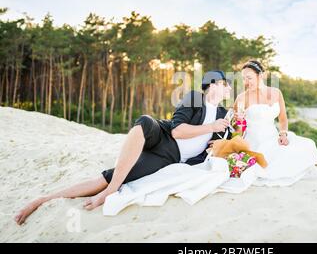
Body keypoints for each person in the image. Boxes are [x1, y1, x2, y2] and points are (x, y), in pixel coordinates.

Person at [14, 70, 232, 225]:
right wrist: (210, 126)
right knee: (145, 121)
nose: (229, 88)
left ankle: (44, 199)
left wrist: (218, 140)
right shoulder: (195, 98)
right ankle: (111, 190)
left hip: (170, 156)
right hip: (164, 136)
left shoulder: (223, 114)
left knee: (112, 176)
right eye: (225, 84)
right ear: (213, 84)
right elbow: (177, 131)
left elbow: (223, 141)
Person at [233, 60, 317, 185]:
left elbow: (283, 118)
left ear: (260, 76)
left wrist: (283, 134)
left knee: (307, 145)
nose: (246, 82)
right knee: (269, 165)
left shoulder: (276, 93)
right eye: (243, 78)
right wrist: (239, 121)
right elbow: (237, 130)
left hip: (273, 136)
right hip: (254, 141)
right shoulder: (242, 98)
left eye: (249, 78)